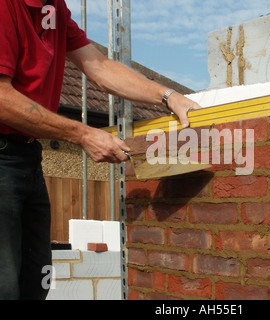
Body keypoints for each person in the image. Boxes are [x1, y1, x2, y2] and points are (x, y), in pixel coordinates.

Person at [0, 0, 201, 300]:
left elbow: (101, 67)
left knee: (34, 283)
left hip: (29, 157)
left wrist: (167, 96)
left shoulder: (54, 7)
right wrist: (81, 134)